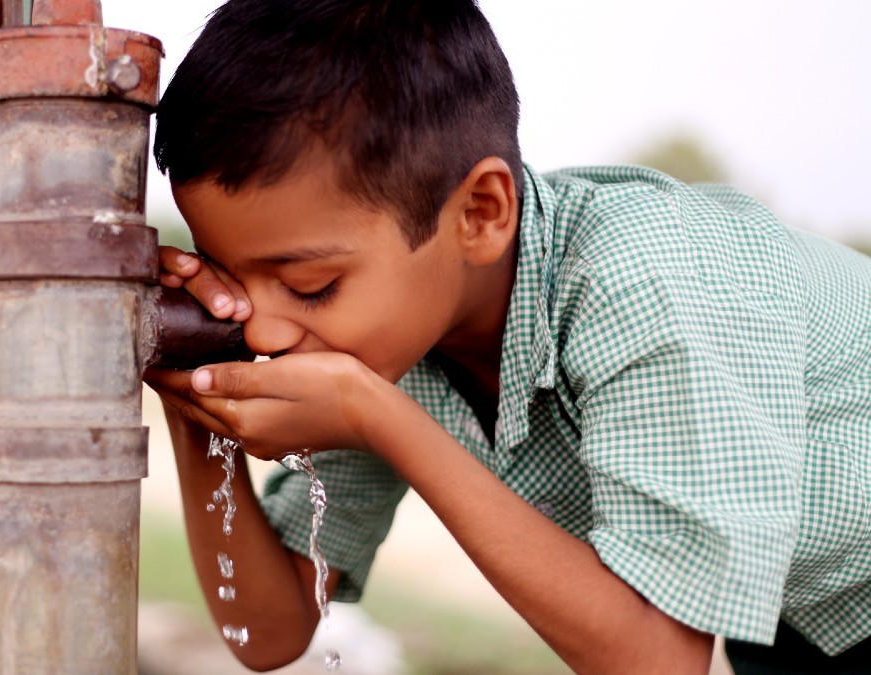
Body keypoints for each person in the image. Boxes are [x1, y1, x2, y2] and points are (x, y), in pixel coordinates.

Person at [142, 1, 871, 673]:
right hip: (795, 618)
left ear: (481, 213)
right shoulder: (386, 344)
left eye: (309, 286)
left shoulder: (638, 279)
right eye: (231, 284)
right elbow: (271, 633)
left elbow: (659, 661)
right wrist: (196, 382)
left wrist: (381, 420)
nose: (262, 329)